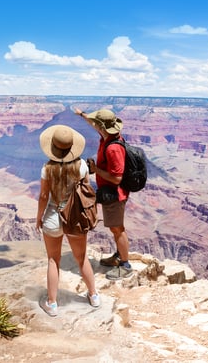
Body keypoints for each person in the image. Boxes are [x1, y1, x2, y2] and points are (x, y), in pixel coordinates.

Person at [36, 124, 101, 317]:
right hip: (75, 217)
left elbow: (43, 196)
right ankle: (94, 296)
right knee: (81, 259)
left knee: (53, 260)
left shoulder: (47, 168)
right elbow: (85, 191)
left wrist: (38, 219)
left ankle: (52, 304)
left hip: (53, 217)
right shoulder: (81, 166)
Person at [75, 108, 133, 280]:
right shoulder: (107, 137)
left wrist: (95, 170)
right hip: (111, 193)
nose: (95, 126)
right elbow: (95, 125)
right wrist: (82, 115)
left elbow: (117, 178)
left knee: (117, 229)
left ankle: (125, 265)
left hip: (115, 194)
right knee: (115, 227)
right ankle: (118, 256)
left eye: (97, 124)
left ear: (103, 127)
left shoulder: (112, 148)